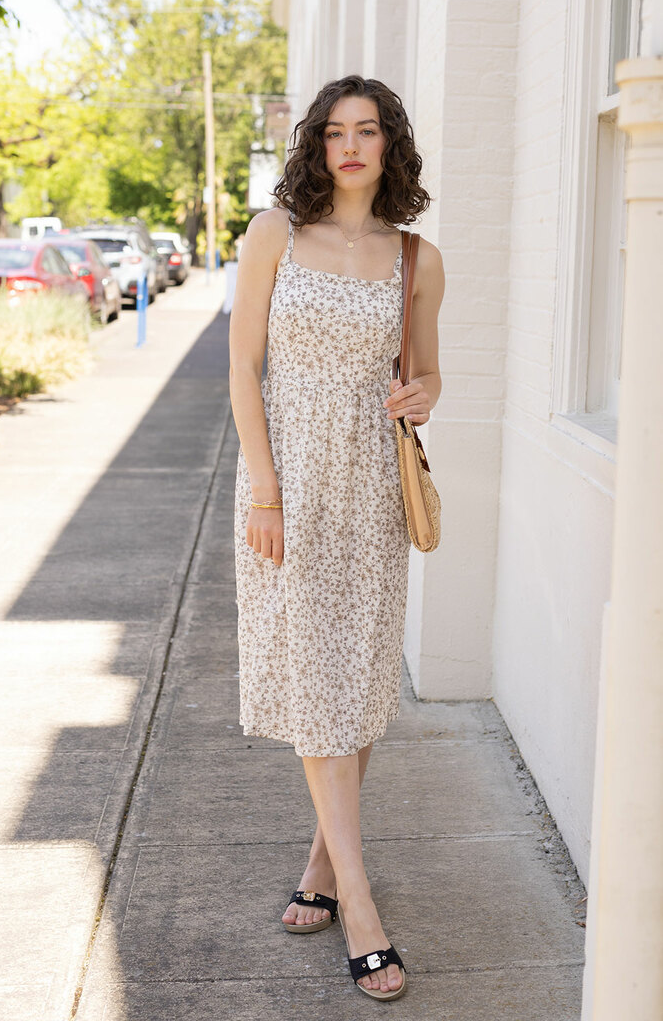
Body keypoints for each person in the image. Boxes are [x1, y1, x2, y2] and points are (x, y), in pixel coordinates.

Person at [228, 74, 444, 1002]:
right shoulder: (272, 235)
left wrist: (421, 395)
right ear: (315, 145)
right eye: (333, 132)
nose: (350, 147)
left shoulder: (417, 259)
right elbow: (242, 364)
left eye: (368, 132)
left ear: (389, 146)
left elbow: (426, 373)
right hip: (289, 478)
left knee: (352, 673)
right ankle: (359, 905)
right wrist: (266, 490)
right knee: (312, 673)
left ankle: (321, 862)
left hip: (369, 484)